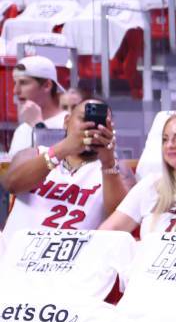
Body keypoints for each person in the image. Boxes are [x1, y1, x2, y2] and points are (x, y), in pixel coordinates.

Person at [1, 98, 135, 240]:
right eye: (84, 119)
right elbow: (12, 184)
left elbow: (122, 222)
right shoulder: (35, 153)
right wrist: (63, 149)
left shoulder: (116, 169)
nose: (91, 127)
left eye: (102, 123)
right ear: (66, 121)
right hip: (17, 252)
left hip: (72, 258)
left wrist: (108, 162)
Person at [9, 55, 68, 157]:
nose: (16, 91)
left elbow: (57, 166)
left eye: (23, 83)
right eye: (15, 83)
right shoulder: (22, 129)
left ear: (47, 85)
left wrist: (38, 126)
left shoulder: (69, 122)